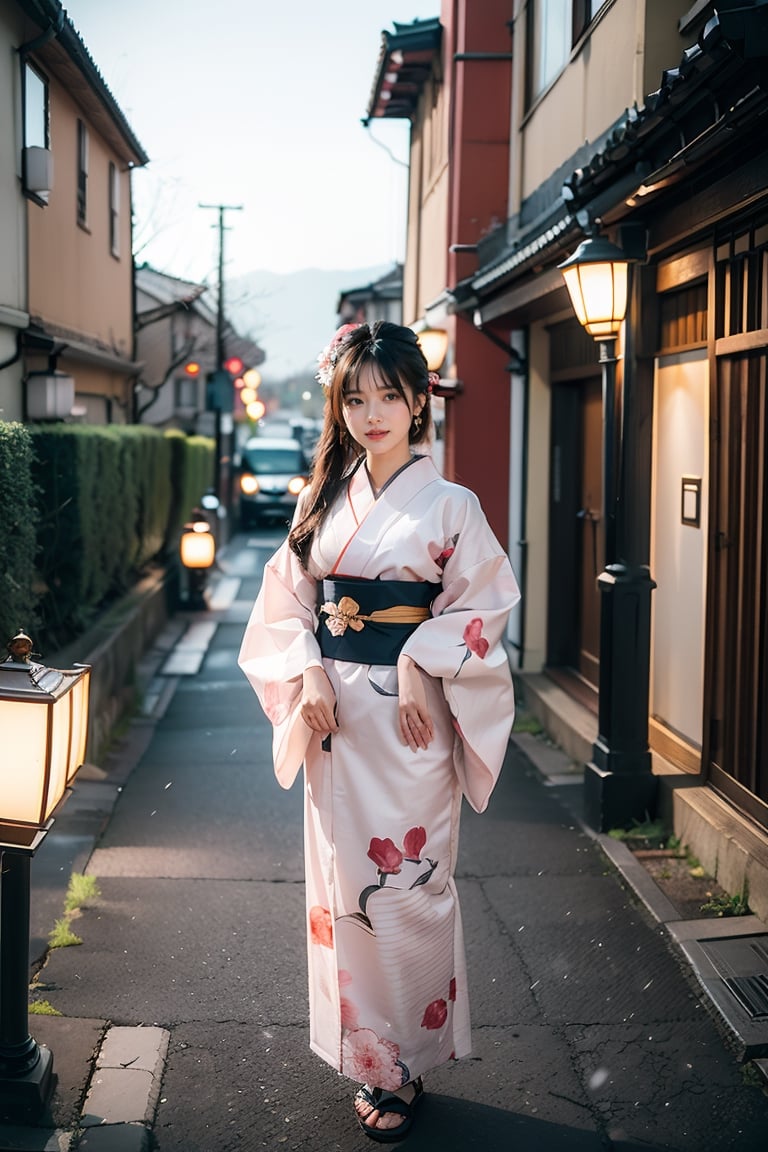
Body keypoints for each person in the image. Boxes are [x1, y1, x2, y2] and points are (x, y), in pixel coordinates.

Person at [238, 321, 520, 1142]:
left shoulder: (451, 505)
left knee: (408, 885)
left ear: (418, 401)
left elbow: (482, 608)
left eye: (387, 396)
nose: (370, 413)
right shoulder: (322, 495)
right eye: (354, 398)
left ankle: (407, 1061)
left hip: (411, 715)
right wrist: (312, 670)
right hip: (333, 718)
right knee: (339, 886)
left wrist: (413, 662)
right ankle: (365, 1055)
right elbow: (287, 603)